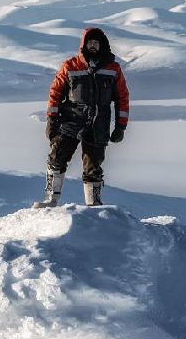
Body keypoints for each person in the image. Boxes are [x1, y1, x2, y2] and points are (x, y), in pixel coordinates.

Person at [33, 27, 130, 207]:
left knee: (93, 167)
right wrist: (51, 120)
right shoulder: (70, 66)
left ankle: (94, 206)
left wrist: (121, 126)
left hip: (98, 125)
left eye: (96, 42)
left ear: (103, 45)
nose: (92, 45)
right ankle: (50, 200)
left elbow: (122, 98)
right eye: (89, 42)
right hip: (70, 121)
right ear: (83, 45)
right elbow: (55, 93)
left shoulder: (113, 68)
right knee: (56, 158)